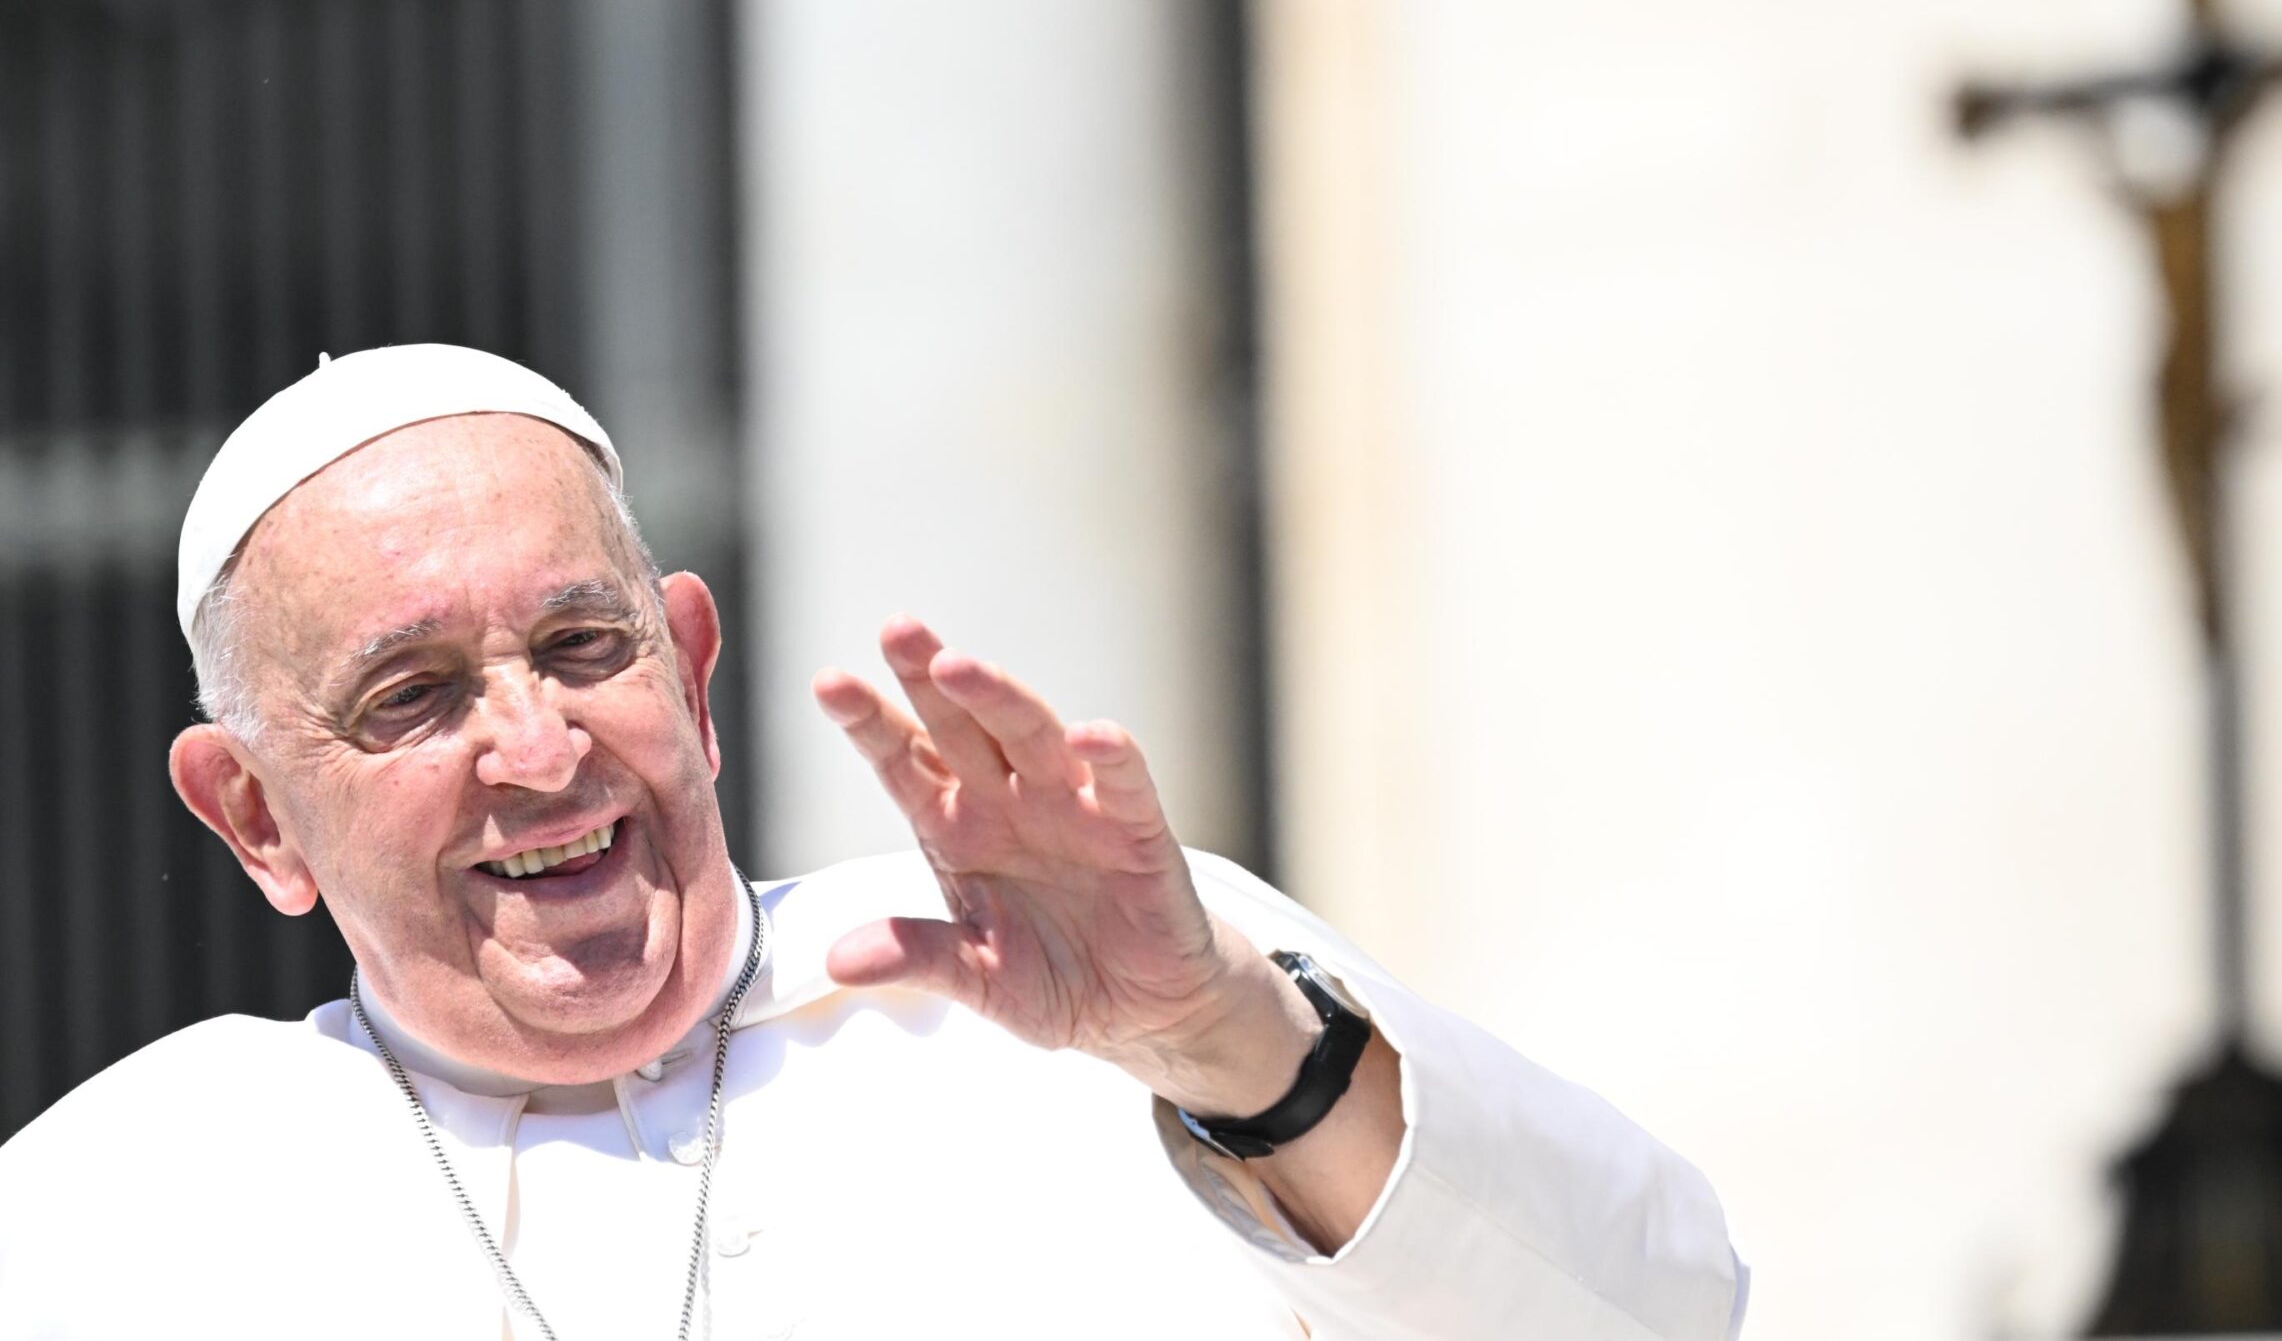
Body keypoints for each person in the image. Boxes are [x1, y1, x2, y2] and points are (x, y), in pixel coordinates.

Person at [0, 345, 1746, 1339]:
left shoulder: (1103, 1000)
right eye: (414, 695)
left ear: (688, 664)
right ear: (251, 819)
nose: (534, 748)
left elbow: (1666, 1322)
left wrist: (1230, 1043)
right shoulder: (120, 1212)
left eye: (584, 649)